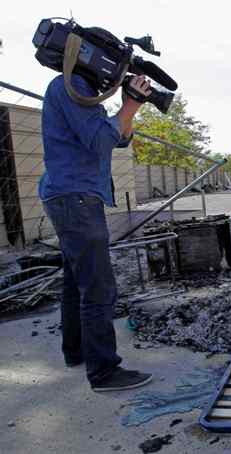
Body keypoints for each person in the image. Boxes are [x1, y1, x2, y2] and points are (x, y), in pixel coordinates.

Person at [39, 73, 153, 392]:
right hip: (75, 196)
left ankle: (75, 352)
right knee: (99, 287)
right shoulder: (71, 87)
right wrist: (129, 104)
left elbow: (118, 137)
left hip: (73, 195)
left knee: (77, 281)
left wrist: (132, 106)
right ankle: (104, 372)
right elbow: (101, 140)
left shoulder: (82, 91)